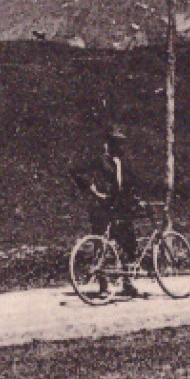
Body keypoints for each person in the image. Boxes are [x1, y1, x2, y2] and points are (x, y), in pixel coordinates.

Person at [71, 124, 146, 298]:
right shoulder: (100, 160)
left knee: (128, 243)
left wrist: (136, 199)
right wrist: (92, 190)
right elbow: (76, 171)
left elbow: (131, 184)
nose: (120, 146)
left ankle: (127, 283)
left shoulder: (123, 163)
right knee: (101, 243)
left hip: (119, 208)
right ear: (109, 144)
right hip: (101, 207)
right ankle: (103, 285)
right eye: (116, 143)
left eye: (121, 143)